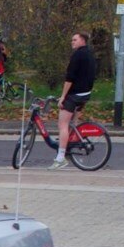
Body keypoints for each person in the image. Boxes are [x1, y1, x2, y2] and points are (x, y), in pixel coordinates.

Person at [52, 31, 96, 169]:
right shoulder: (90, 54)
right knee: (73, 123)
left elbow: (70, 78)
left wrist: (63, 97)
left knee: (62, 125)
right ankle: (71, 145)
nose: (72, 42)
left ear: (82, 40)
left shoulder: (77, 55)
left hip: (75, 95)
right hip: (85, 94)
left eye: (75, 40)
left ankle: (60, 158)